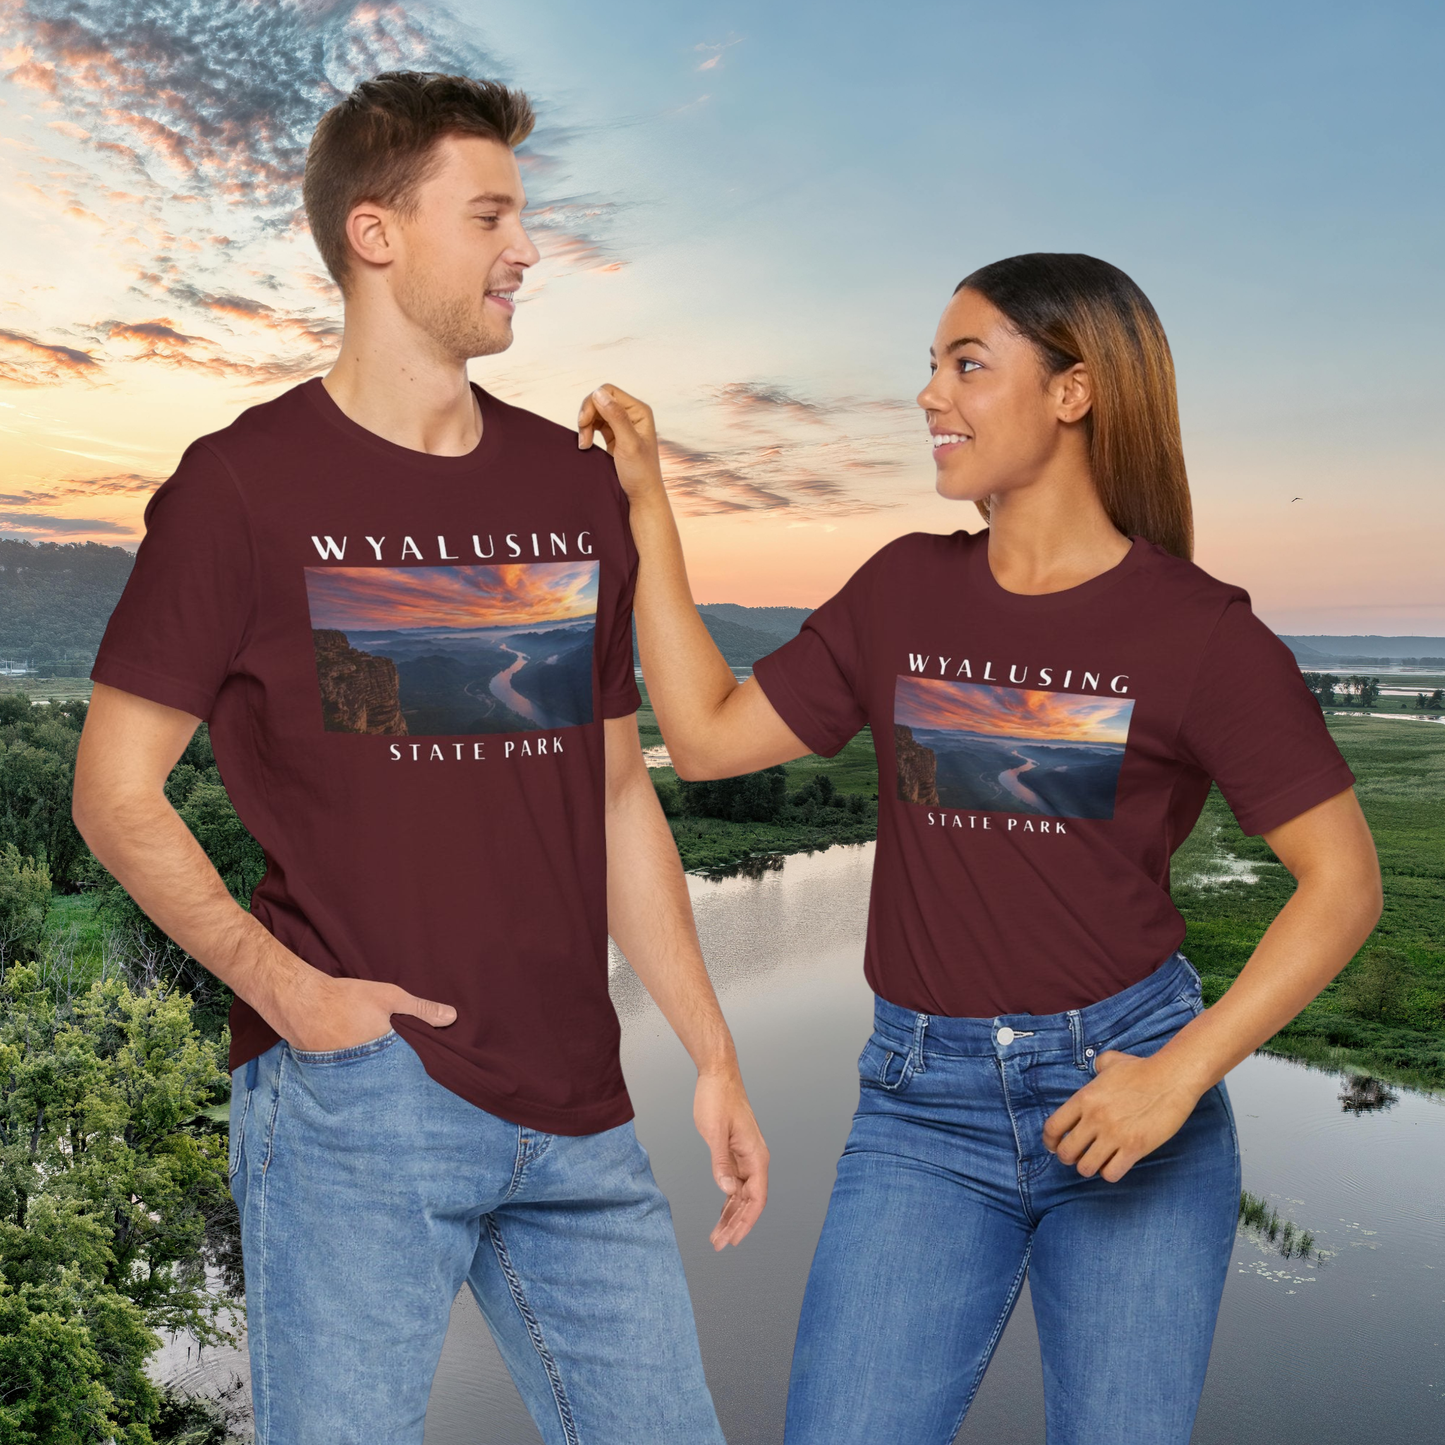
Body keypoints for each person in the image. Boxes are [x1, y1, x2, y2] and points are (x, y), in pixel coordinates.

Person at [577, 252, 1382, 1444]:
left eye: (966, 363)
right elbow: (697, 737)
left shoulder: (1200, 631)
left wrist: (1174, 1075)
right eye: (930, 367)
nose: (928, 395)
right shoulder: (905, 588)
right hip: (921, 1111)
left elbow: (1344, 883)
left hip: (1126, 1094)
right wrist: (648, 504)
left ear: (1073, 391)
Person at [72, 71, 766, 1445]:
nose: (526, 248)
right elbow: (113, 790)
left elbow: (617, 792)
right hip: (355, 1103)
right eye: (492, 212)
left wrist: (712, 1049)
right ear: (377, 234)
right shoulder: (243, 485)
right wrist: (296, 995)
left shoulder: (573, 492)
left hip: (578, 1104)